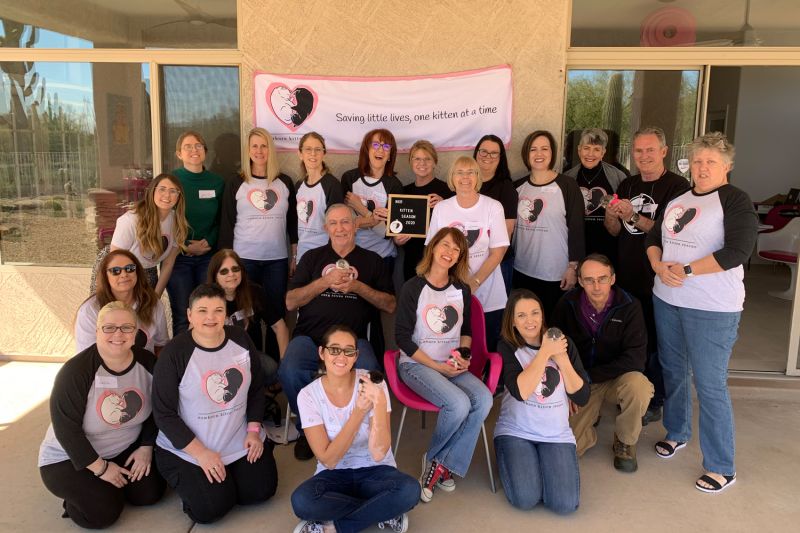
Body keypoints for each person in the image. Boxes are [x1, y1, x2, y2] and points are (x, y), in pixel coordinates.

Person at [646, 132, 757, 493]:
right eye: (697, 161)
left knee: (710, 384)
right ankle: (677, 431)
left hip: (712, 308)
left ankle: (721, 465)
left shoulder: (735, 200)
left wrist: (687, 270)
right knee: (674, 371)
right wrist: (658, 265)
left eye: (711, 161)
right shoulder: (678, 198)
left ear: (727, 166)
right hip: (668, 300)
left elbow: (738, 250)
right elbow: (652, 240)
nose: (702, 167)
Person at [153, 284, 278, 523]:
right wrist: (202, 454)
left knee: (261, 492)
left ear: (225, 314)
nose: (210, 317)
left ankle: (228, 477)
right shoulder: (175, 353)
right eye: (202, 311)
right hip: (192, 449)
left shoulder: (240, 338)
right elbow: (164, 413)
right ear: (189, 315)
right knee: (211, 509)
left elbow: (255, 387)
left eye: (218, 310)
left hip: (237, 438)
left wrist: (253, 430)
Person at [279, 204, 392, 461]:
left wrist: (357, 287)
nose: (340, 228)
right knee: (290, 369)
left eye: (345, 222)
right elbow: (290, 301)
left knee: (369, 372)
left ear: (355, 226)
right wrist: (324, 282)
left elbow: (390, 304)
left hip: (354, 342)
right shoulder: (312, 258)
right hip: (310, 337)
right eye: (334, 223)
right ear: (325, 228)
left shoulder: (372, 260)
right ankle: (310, 431)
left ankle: (354, 432)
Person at [39, 301, 165, 529]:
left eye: (126, 327)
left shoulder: (147, 364)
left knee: (149, 494)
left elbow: (158, 408)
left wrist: (146, 447)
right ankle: (81, 497)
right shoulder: (76, 372)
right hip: (69, 458)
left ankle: (106, 487)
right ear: (97, 331)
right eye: (109, 328)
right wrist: (101, 468)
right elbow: (66, 431)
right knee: (103, 514)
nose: (118, 334)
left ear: (135, 332)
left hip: (122, 448)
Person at [396, 227, 492, 503]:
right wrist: (438, 368)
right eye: (445, 245)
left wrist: (464, 355)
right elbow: (401, 337)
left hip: (451, 365)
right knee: (459, 404)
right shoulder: (413, 287)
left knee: (484, 399)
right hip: (417, 365)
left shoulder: (461, 289)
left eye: (456, 249)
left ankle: (439, 462)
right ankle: (440, 465)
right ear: (433, 247)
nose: (449, 252)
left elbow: (467, 330)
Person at [291, 325, 419, 533]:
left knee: (409, 491)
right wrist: (359, 412)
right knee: (301, 501)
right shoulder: (308, 396)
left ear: (355, 356)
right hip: (334, 475)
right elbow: (329, 460)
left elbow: (378, 453)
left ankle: (333, 527)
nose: (341, 356)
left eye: (349, 350)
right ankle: (382, 509)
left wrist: (377, 402)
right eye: (334, 349)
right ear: (322, 352)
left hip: (376, 471)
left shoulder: (373, 383)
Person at [604, 126, 690, 426]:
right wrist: (612, 215)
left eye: (650, 150)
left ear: (664, 151)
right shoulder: (627, 184)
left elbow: (667, 232)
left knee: (657, 344)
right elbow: (614, 232)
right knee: (631, 341)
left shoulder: (679, 188)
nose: (643, 156)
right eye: (638, 150)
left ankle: (656, 399)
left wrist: (632, 216)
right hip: (626, 278)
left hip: (658, 280)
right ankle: (633, 395)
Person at [551, 254, 652, 472]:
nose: (596, 286)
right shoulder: (567, 304)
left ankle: (625, 440)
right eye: (589, 280)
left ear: (613, 279)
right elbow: (554, 349)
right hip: (580, 382)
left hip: (614, 378)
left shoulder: (629, 306)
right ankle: (590, 422)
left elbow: (636, 358)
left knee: (639, 386)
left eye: (602, 279)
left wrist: (590, 377)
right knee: (569, 448)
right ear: (580, 281)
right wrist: (568, 386)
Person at [494, 289, 589, 514]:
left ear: (542, 316)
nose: (530, 320)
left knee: (564, 505)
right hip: (517, 432)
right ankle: (519, 461)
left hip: (556, 434)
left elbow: (582, 396)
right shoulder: (507, 347)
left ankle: (540, 465)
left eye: (535, 313)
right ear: (513, 322)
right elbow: (521, 391)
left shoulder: (563, 344)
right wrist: (545, 352)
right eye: (522, 315)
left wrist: (562, 360)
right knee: (525, 499)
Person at [218, 127, 293, 357]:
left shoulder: (285, 182)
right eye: (254, 146)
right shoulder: (236, 183)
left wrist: (294, 256)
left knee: (276, 314)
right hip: (245, 260)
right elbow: (227, 223)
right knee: (247, 315)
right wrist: (228, 262)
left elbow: (292, 224)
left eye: (263, 146)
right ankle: (251, 363)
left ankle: (274, 366)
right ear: (248, 151)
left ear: (270, 149)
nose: (259, 151)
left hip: (276, 260)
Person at [426, 156, 509, 352]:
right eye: (459, 172)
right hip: (450, 294)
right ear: (452, 178)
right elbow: (433, 250)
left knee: (486, 350)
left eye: (470, 172)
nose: (465, 177)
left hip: (488, 293)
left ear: (478, 176)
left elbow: (498, 251)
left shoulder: (493, 207)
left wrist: (474, 283)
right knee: (455, 352)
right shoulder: (442, 208)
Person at [513, 130, 585, 317]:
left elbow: (577, 229)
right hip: (521, 271)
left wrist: (573, 268)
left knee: (553, 328)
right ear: (526, 154)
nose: (539, 154)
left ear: (552, 153)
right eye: (533, 149)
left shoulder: (568, 186)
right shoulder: (517, 187)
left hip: (555, 274)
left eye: (544, 149)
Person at [166, 130, 225, 335]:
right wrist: (184, 245)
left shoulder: (217, 182)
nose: (194, 150)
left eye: (198, 145)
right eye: (188, 147)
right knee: (183, 314)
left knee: (207, 313)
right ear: (179, 154)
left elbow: (222, 220)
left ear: (205, 152)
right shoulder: (170, 181)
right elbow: (163, 219)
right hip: (177, 258)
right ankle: (182, 364)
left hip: (207, 257)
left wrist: (207, 243)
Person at [207, 249, 280, 387]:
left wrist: (284, 361)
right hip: (217, 357)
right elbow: (192, 333)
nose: (231, 274)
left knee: (272, 370)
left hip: (249, 356)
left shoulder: (254, 291)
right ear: (215, 275)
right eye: (224, 271)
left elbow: (280, 326)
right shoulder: (206, 297)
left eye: (235, 269)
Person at [75, 249, 168, 355]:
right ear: (105, 276)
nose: (124, 274)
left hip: (145, 369)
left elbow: (160, 346)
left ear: (137, 272)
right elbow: (85, 356)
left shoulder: (153, 304)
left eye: (130, 269)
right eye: (115, 271)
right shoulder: (90, 310)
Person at [110, 173, 188, 295]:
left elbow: (168, 263)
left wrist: (156, 297)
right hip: (118, 271)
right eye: (162, 189)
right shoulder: (130, 220)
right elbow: (114, 260)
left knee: (147, 312)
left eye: (173, 191)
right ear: (152, 191)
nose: (167, 195)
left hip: (148, 271)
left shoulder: (177, 222)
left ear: (179, 196)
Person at [341, 128, 404, 262]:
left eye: (386, 146)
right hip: (352, 254)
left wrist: (361, 209)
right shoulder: (349, 178)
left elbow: (386, 233)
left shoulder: (395, 185)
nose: (380, 150)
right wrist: (374, 220)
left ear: (390, 155)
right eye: (375, 144)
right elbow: (346, 224)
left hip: (382, 257)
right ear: (366, 150)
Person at [564, 128, 626, 261]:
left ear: (603, 153)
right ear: (579, 150)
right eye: (586, 148)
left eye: (597, 149)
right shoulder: (568, 177)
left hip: (608, 248)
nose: (590, 154)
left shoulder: (618, 176)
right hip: (576, 247)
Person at [395, 140, 453, 281]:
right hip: (411, 260)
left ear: (434, 162)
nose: (422, 163)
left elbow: (457, 226)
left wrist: (445, 205)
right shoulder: (403, 192)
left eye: (427, 159)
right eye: (417, 159)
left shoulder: (446, 191)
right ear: (410, 162)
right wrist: (397, 240)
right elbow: (396, 229)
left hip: (439, 260)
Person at [473, 134, 518, 293]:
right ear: (476, 153)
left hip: (497, 262)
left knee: (494, 315)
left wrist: (483, 271)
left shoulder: (506, 188)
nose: (487, 157)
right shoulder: (467, 183)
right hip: (470, 260)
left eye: (494, 153)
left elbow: (507, 232)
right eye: (483, 151)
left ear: (501, 158)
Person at [295, 132, 344, 263]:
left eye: (318, 149)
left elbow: (337, 227)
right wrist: (295, 256)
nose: (313, 154)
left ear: (324, 153)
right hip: (302, 256)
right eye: (308, 149)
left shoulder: (332, 185)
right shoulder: (299, 186)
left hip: (324, 256)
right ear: (300, 154)